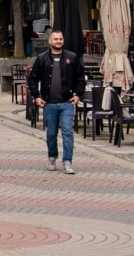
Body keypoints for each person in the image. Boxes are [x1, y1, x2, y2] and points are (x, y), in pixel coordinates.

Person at [27, 29, 85, 174]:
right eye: (56, 39)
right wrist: (36, 96)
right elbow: (32, 78)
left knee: (67, 132)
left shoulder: (72, 57)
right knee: (51, 133)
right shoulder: (42, 58)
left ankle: (67, 161)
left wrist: (78, 94)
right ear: (50, 41)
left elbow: (80, 77)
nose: (58, 41)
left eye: (60, 39)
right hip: (49, 103)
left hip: (67, 102)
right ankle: (52, 157)